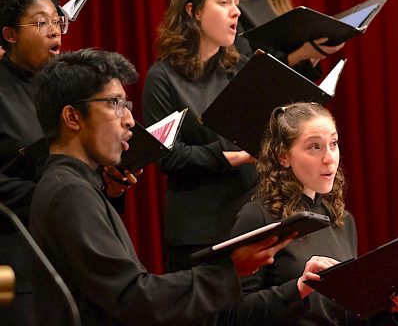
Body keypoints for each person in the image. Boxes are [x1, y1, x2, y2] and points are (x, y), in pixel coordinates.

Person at [29, 48, 292, 326]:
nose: (129, 119)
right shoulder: (68, 192)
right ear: (72, 117)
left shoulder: (75, 185)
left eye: (126, 105)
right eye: (114, 103)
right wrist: (229, 271)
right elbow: (133, 298)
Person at [0, 0, 137, 326]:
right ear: (10, 35)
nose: (54, 30)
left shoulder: (65, 88)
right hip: (17, 258)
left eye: (57, 20)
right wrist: (54, 192)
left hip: (77, 250)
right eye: (40, 22)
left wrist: (107, 184)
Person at [223, 102, 398, 326]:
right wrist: (298, 289)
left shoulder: (342, 220)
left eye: (333, 144)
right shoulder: (257, 217)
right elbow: (232, 315)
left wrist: (395, 309)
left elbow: (348, 314)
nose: (330, 158)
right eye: (314, 147)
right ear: (283, 157)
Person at [143, 0, 259, 279]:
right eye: (224, 2)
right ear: (193, 12)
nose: (236, 11)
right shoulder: (162, 77)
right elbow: (166, 156)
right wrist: (234, 156)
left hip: (250, 220)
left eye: (236, 2)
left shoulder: (242, 70)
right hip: (197, 231)